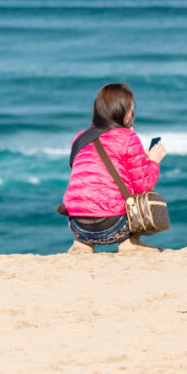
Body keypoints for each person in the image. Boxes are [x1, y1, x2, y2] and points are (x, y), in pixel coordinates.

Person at [62, 82, 167, 254]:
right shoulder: (128, 137)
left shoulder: (80, 138)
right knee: (141, 194)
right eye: (131, 110)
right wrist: (153, 162)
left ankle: (83, 244)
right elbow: (142, 185)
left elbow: (92, 173)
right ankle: (130, 241)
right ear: (124, 113)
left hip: (78, 226)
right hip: (114, 227)